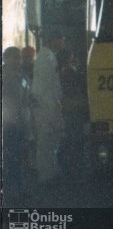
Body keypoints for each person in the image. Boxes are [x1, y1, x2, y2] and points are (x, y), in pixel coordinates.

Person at [30, 29, 66, 184]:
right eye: (61, 39)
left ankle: (50, 171)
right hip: (45, 106)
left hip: (49, 104)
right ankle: (46, 175)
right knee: (46, 141)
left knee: (51, 140)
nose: (63, 42)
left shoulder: (49, 56)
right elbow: (42, 85)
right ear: (53, 40)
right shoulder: (45, 57)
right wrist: (45, 105)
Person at [56, 49, 88, 177]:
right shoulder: (70, 72)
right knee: (75, 139)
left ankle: (68, 166)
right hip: (74, 107)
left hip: (67, 108)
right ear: (69, 58)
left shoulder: (60, 72)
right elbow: (76, 89)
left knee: (69, 138)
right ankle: (74, 168)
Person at [2, 46, 28, 197]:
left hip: (19, 121)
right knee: (10, 156)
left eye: (19, 57)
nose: (18, 60)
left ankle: (17, 187)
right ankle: (12, 189)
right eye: (15, 57)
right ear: (7, 58)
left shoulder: (22, 75)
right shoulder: (5, 75)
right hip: (7, 122)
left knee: (18, 155)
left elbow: (25, 94)